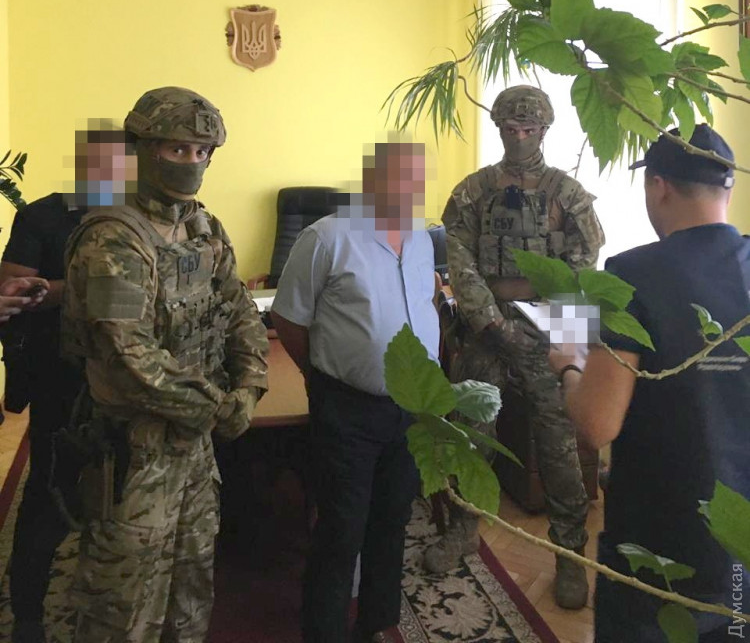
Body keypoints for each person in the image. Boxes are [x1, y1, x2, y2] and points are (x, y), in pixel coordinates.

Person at [62, 86, 269, 643]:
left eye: (202, 151)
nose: (192, 162)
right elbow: (126, 357)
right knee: (122, 608)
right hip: (136, 454)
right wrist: (218, 407)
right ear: (144, 148)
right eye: (178, 149)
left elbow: (240, 311)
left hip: (195, 451)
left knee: (190, 590)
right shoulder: (113, 239)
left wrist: (250, 385)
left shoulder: (204, 229)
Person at [554, 124, 750, 642]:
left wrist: (568, 365)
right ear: (727, 189)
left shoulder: (632, 274)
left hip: (662, 537)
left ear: (658, 186)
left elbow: (597, 424)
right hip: (741, 543)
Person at [424, 85, 603, 610]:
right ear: (499, 128)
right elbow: (459, 262)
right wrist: (491, 323)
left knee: (559, 446)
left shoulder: (568, 193)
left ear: (544, 131)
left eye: (529, 129)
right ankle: (463, 529)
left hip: (549, 332)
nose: (519, 137)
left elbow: (585, 261)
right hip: (488, 329)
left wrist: (551, 324)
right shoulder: (473, 191)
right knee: (470, 434)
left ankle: (570, 554)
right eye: (510, 128)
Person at [271, 140, 440, 643]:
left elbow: (425, 303)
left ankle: (377, 623)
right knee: (342, 529)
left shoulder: (422, 238)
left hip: (411, 409)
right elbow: (288, 318)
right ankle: (323, 631)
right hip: (348, 409)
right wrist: (320, 375)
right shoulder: (327, 237)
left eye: (414, 180)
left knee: (393, 521)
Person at [0, 124, 133, 643]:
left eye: (119, 166)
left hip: (128, 377)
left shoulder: (139, 217)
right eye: (97, 164)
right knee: (48, 495)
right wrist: (95, 287)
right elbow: (14, 289)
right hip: (60, 378)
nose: (107, 175)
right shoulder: (43, 216)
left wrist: (61, 289)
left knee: (126, 495)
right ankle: (28, 615)